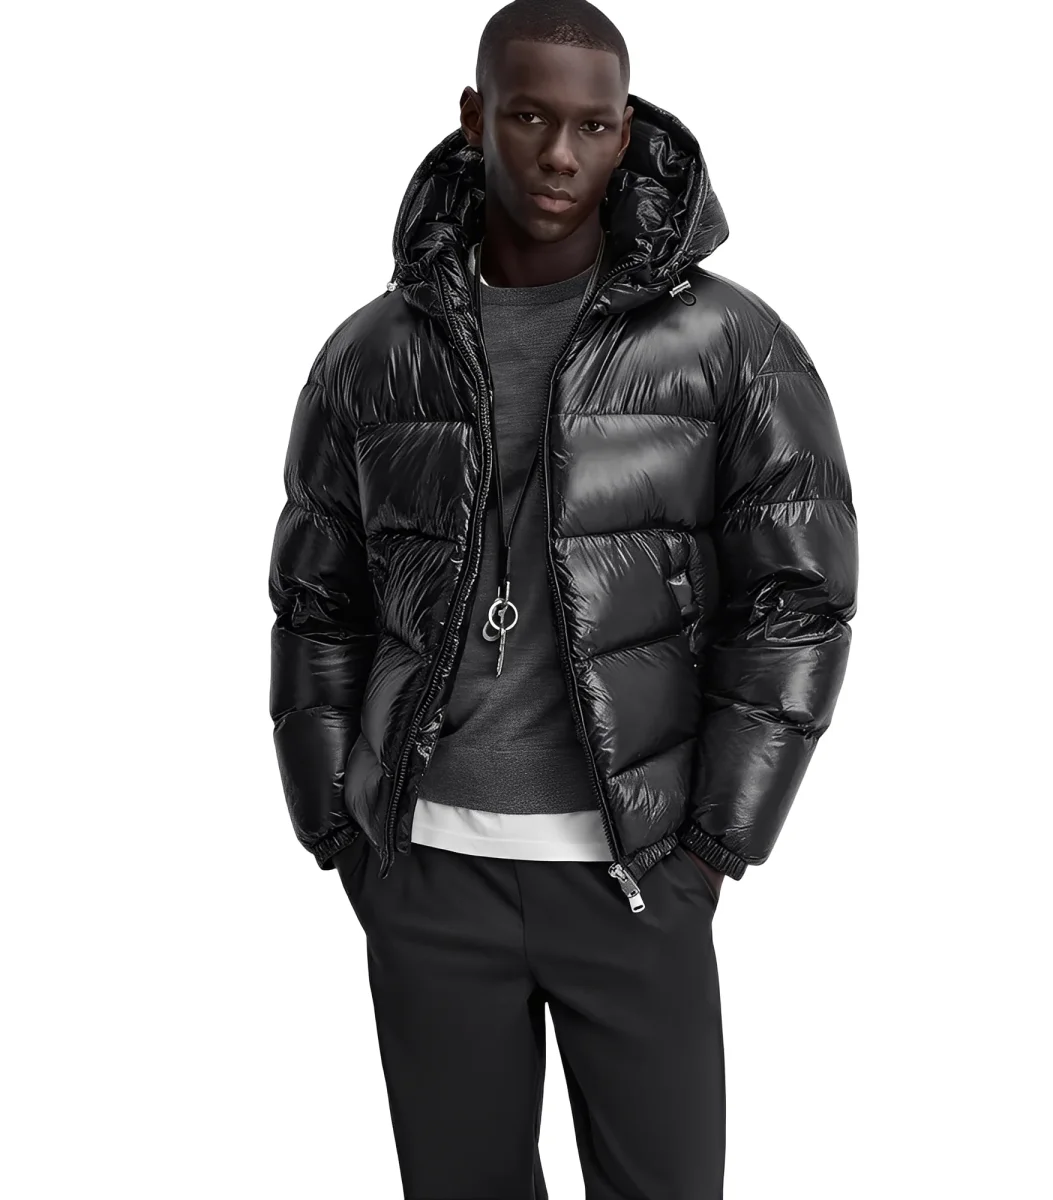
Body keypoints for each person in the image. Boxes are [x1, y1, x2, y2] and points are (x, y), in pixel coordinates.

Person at [267, 1, 857, 1195]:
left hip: (633, 875)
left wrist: (713, 847)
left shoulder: (730, 344)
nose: (558, 154)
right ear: (475, 116)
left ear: (625, 132)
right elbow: (318, 601)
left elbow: (799, 595)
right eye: (529, 117)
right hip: (428, 869)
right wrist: (339, 830)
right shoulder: (372, 355)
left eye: (592, 126)